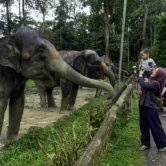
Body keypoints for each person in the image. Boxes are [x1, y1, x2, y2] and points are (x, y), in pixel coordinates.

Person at [138, 67, 166, 152]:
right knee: (143, 126)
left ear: (159, 75)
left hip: (151, 107)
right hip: (143, 105)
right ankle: (145, 143)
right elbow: (142, 83)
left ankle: (162, 145)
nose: (153, 71)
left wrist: (140, 76)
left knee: (155, 126)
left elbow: (143, 84)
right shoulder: (150, 80)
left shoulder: (156, 84)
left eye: (155, 71)